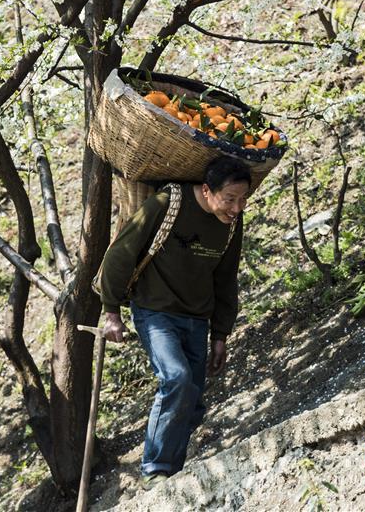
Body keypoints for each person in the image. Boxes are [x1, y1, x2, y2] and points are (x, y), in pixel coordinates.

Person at [99, 156, 250, 490]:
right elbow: (120, 254)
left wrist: (220, 334)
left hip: (197, 319)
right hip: (156, 312)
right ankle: (154, 470)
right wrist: (112, 312)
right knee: (177, 379)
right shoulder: (169, 203)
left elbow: (226, 279)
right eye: (229, 199)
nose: (236, 208)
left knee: (192, 402)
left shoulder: (232, 223)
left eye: (243, 200)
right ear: (207, 190)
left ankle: (170, 476)